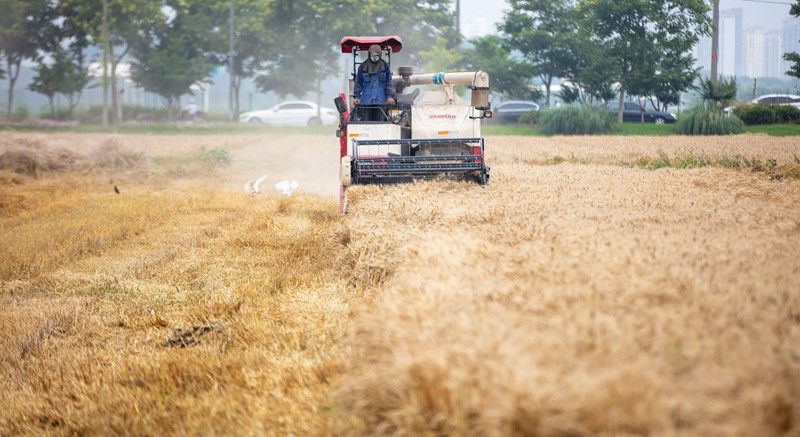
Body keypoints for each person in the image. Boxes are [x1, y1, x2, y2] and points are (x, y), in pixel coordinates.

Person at [352, 44, 396, 121]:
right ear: (369, 55)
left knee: (381, 125)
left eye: (376, 56)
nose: (374, 58)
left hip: (381, 102)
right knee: (366, 125)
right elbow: (358, 82)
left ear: (380, 55)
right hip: (366, 102)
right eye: (372, 55)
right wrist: (357, 97)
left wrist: (389, 96)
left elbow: (389, 82)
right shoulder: (362, 67)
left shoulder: (385, 66)